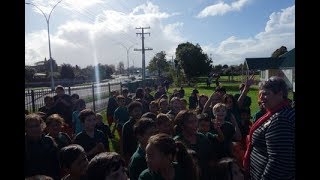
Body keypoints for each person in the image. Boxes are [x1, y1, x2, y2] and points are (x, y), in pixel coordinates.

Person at [243, 76, 295, 180]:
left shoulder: (281, 119)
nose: (260, 98)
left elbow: (279, 162)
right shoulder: (279, 113)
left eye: (266, 94)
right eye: (260, 94)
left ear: (280, 94)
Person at [173, 110, 212, 180]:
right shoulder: (177, 142)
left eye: (196, 121)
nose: (195, 125)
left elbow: (210, 160)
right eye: (191, 122)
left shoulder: (202, 138)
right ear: (182, 125)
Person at [25, 113, 60, 179]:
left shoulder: (49, 141)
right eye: (30, 126)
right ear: (26, 128)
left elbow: (56, 166)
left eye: (36, 125)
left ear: (42, 126)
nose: (34, 129)